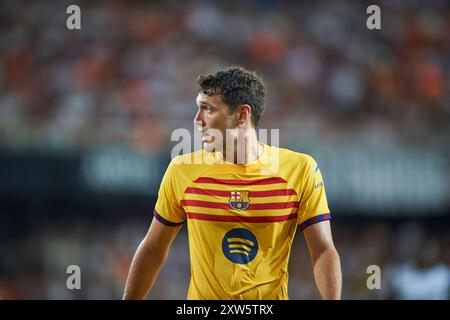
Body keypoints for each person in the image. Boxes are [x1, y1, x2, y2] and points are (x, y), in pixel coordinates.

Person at [122, 66, 342, 300]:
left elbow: (322, 249)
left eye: (208, 109)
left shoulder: (300, 170)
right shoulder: (181, 170)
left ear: (241, 115)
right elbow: (153, 249)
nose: (197, 120)